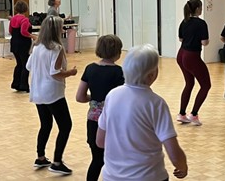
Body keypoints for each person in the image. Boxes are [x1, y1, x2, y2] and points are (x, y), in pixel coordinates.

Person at [96, 45, 188, 180]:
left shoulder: (112, 95)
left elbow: (100, 141)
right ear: (151, 75)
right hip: (148, 176)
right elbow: (173, 151)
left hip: (112, 176)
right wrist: (182, 166)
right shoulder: (155, 103)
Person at [26, 16, 77, 175]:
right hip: (53, 93)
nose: (63, 29)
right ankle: (57, 161)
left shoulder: (37, 46)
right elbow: (55, 73)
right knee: (65, 126)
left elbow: (29, 66)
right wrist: (70, 73)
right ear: (55, 30)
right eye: (61, 27)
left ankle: (40, 157)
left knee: (46, 124)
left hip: (38, 92)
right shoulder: (56, 48)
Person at [75, 35, 124, 181]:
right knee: (116, 161)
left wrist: (95, 100)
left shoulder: (90, 69)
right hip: (114, 122)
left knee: (97, 160)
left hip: (93, 121)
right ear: (117, 52)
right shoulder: (120, 72)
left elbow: (80, 97)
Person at [176, 0, 210, 126]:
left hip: (181, 55)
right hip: (192, 56)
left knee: (189, 83)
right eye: (201, 7)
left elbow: (181, 39)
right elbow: (204, 42)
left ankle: (182, 114)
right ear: (197, 9)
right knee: (206, 85)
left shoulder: (184, 22)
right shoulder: (201, 23)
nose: (202, 10)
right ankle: (194, 114)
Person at [9, 0, 36, 92]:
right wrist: (33, 36)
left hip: (14, 43)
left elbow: (10, 31)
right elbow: (23, 32)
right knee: (26, 64)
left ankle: (16, 83)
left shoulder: (13, 19)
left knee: (19, 64)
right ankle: (24, 85)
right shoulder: (25, 20)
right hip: (23, 44)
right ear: (25, 9)